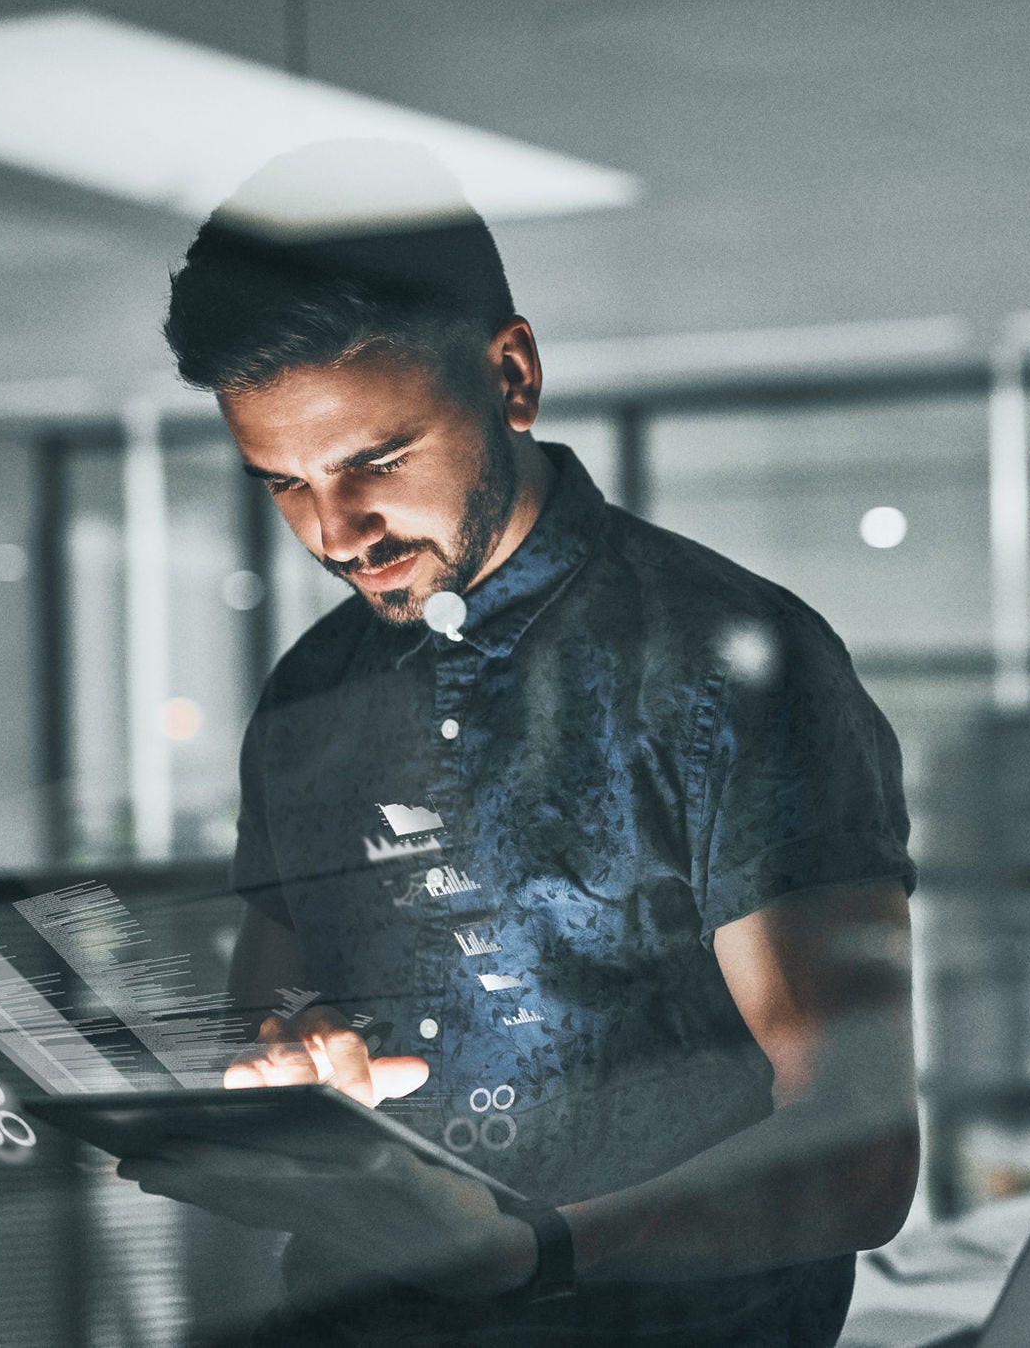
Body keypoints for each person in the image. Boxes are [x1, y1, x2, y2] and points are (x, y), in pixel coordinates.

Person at [119, 146, 919, 1347]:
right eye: (283, 484)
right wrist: (286, 1059)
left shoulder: (730, 667)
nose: (338, 533)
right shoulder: (308, 695)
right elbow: (268, 1000)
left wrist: (535, 1250)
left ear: (512, 376)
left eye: (374, 464)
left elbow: (857, 1159)